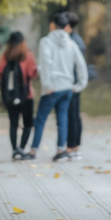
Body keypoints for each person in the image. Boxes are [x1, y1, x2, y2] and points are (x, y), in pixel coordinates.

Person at [25, 11, 88, 162]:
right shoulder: (72, 44)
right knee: (62, 120)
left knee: (40, 119)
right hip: (67, 87)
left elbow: (46, 64)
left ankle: (33, 151)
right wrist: (79, 85)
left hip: (52, 87)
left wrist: (47, 85)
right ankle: (61, 150)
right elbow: (81, 66)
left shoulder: (46, 42)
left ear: (53, 25)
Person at [0, 32, 38, 160]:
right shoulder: (28, 56)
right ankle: (21, 148)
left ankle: (14, 149)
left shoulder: (5, 56)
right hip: (27, 95)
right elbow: (32, 73)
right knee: (27, 124)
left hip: (10, 96)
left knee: (13, 123)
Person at [65, 11, 86, 160]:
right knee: (73, 115)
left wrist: (76, 85)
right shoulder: (73, 39)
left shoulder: (74, 41)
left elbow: (78, 66)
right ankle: (73, 146)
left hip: (73, 84)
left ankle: (73, 147)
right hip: (72, 83)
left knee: (72, 115)